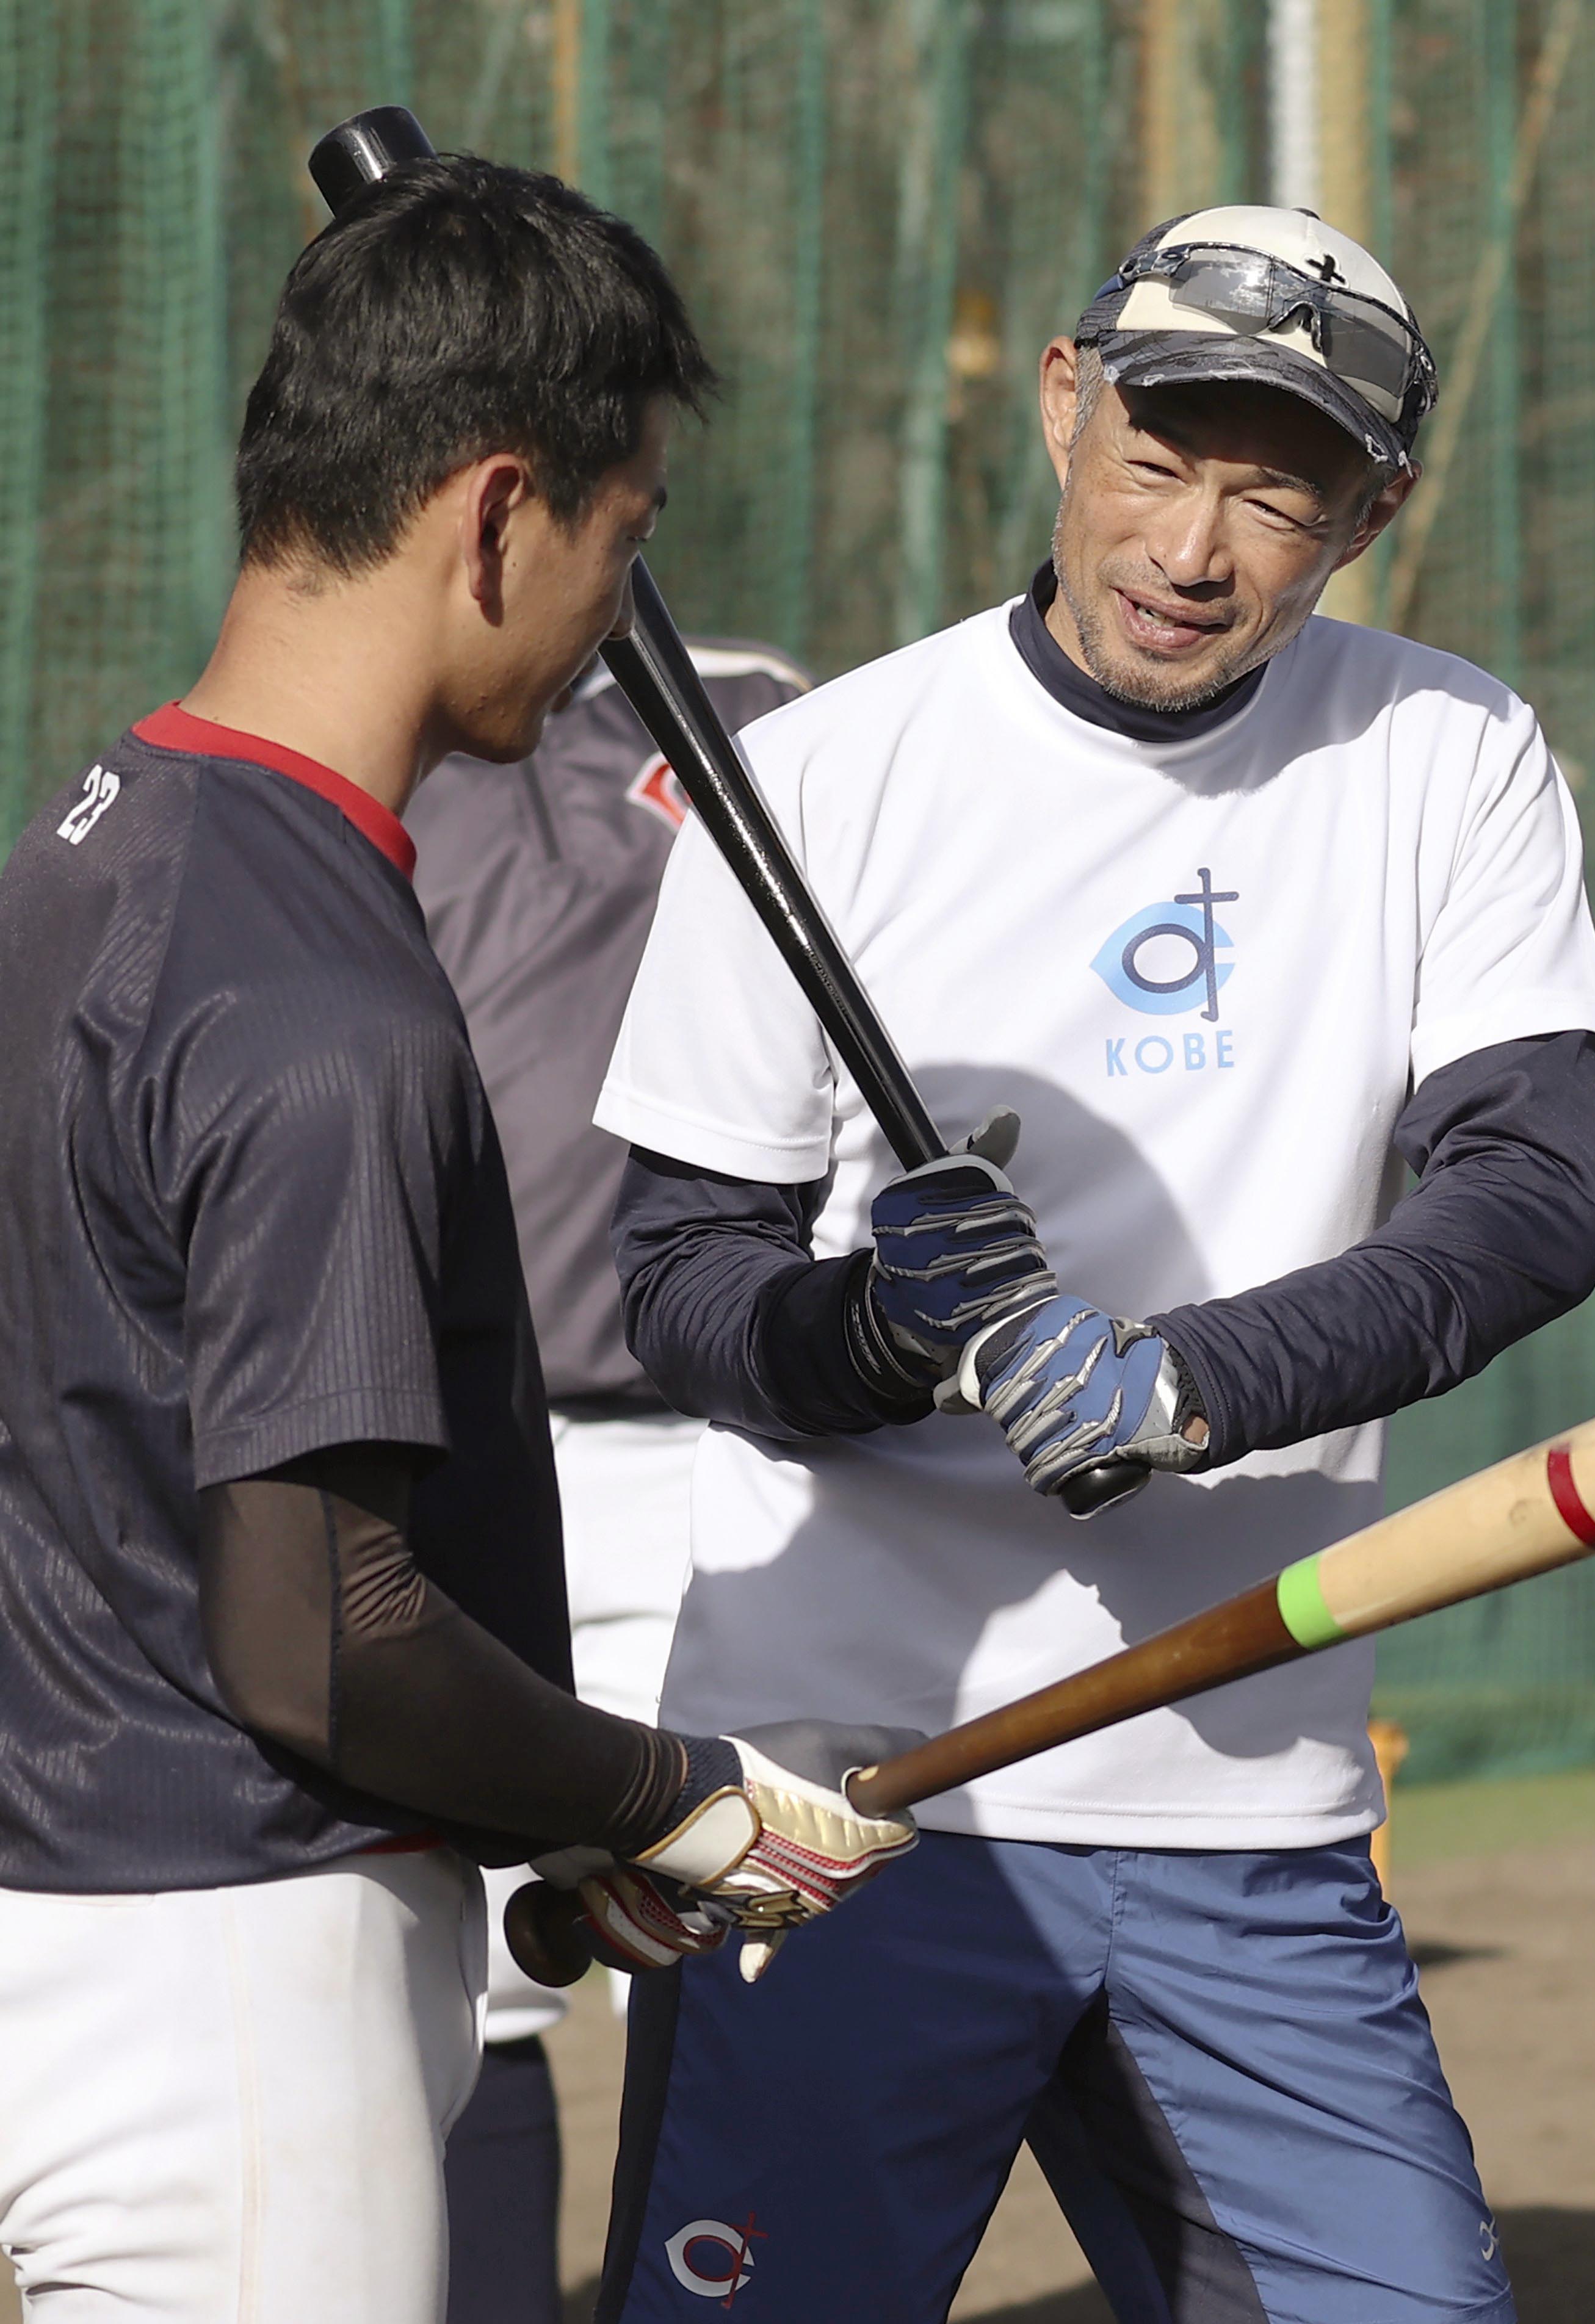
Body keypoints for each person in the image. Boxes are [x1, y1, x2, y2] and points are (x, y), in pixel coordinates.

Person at [591, 206, 1595, 2322]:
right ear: (1066, 406)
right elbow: (679, 1280)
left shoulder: (1449, 756)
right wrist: (873, 1335)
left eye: (1279, 489)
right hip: (844, 1790)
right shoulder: (814, 779)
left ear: (1369, 509)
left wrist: (1182, 1383)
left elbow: (1522, 1202)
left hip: (1238, 1795)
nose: (1195, 544)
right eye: (1160, 457)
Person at [0, 154, 912, 2324]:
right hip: (222, 1986)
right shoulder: (319, 997)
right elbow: (323, 1638)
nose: (624, 601)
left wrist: (568, 1818)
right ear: (497, 511)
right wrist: (667, 1790)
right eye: (624, 531)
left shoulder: (72, 858)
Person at [407, 637, 811, 2324]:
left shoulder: (755, 710)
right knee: (475, 1989)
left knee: (720, 1966)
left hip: (707, 1458)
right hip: (440, 1459)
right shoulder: (371, 721)